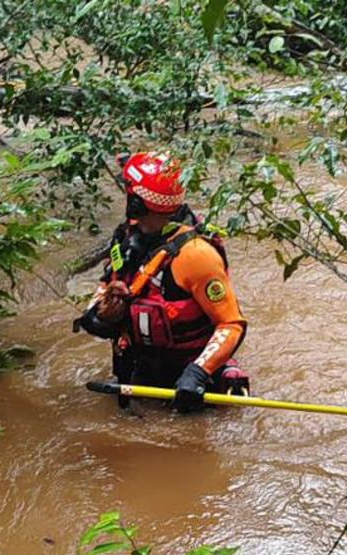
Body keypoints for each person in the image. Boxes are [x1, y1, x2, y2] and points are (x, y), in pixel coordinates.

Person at [74, 152, 248, 412]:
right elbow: (106, 282)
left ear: (136, 202)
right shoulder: (127, 234)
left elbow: (231, 323)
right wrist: (100, 312)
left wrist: (198, 373)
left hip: (192, 378)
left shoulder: (196, 254)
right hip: (140, 368)